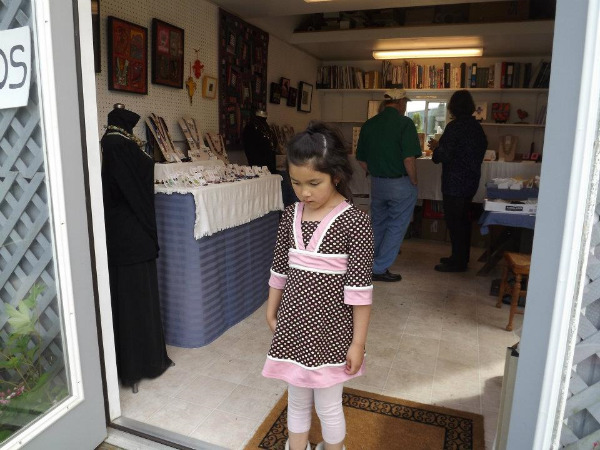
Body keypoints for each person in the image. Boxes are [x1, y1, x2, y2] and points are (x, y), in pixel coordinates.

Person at [262, 122, 374, 450]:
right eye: (295, 183)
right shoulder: (289, 216)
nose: (304, 192)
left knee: (327, 405)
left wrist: (358, 343)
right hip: (294, 328)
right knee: (295, 400)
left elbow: (360, 291)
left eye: (314, 183)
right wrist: (271, 312)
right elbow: (279, 269)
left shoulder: (355, 221)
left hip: (333, 333)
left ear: (335, 176)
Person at [101, 104, 172, 392]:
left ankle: (147, 360)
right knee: (131, 300)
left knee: (140, 298)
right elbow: (129, 191)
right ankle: (135, 365)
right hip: (128, 236)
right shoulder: (116, 145)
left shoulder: (119, 142)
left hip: (133, 235)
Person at [355, 89, 422, 282]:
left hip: (378, 183)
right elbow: (409, 159)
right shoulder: (405, 123)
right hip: (400, 183)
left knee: (377, 223)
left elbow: (362, 160)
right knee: (396, 226)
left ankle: (367, 264)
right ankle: (379, 267)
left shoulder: (370, 124)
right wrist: (414, 181)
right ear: (401, 103)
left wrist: (375, 171)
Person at [429, 89, 488, 272]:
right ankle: (460, 257)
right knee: (463, 221)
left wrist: (436, 149)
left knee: (455, 222)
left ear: (452, 107)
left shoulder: (454, 127)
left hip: (454, 183)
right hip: (470, 181)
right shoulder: (477, 128)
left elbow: (444, 156)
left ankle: (458, 262)